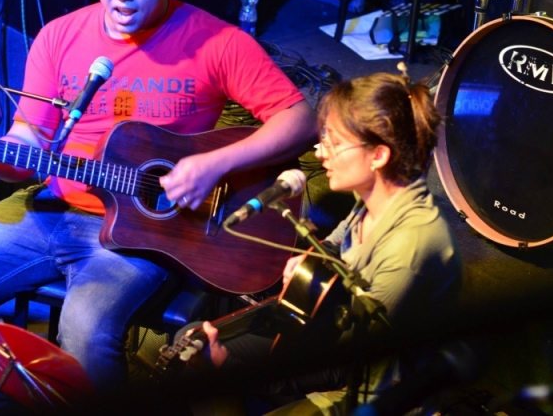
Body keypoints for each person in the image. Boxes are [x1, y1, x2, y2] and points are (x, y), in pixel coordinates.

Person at [0, 0, 316, 413]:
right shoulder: (59, 37)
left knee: (86, 331)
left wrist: (213, 165)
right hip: (50, 208)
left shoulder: (216, 41)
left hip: (146, 232)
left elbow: (299, 120)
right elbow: (28, 142)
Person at [187, 70, 462, 415]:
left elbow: (357, 363)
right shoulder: (374, 197)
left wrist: (236, 371)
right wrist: (310, 260)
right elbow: (336, 241)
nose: (320, 152)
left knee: (213, 373)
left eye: (333, 142)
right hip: (333, 329)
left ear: (378, 155)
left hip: (371, 388)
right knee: (194, 336)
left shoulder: (410, 247)